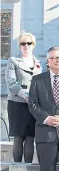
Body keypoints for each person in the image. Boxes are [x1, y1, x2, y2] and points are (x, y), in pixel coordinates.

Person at [6, 32, 42, 163]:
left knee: (30, 137)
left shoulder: (39, 63)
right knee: (19, 136)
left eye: (29, 43)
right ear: (19, 46)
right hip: (17, 103)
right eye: (23, 43)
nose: (26, 45)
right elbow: (11, 83)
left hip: (33, 105)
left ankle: (28, 169)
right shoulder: (13, 61)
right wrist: (26, 97)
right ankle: (17, 170)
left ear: (33, 45)